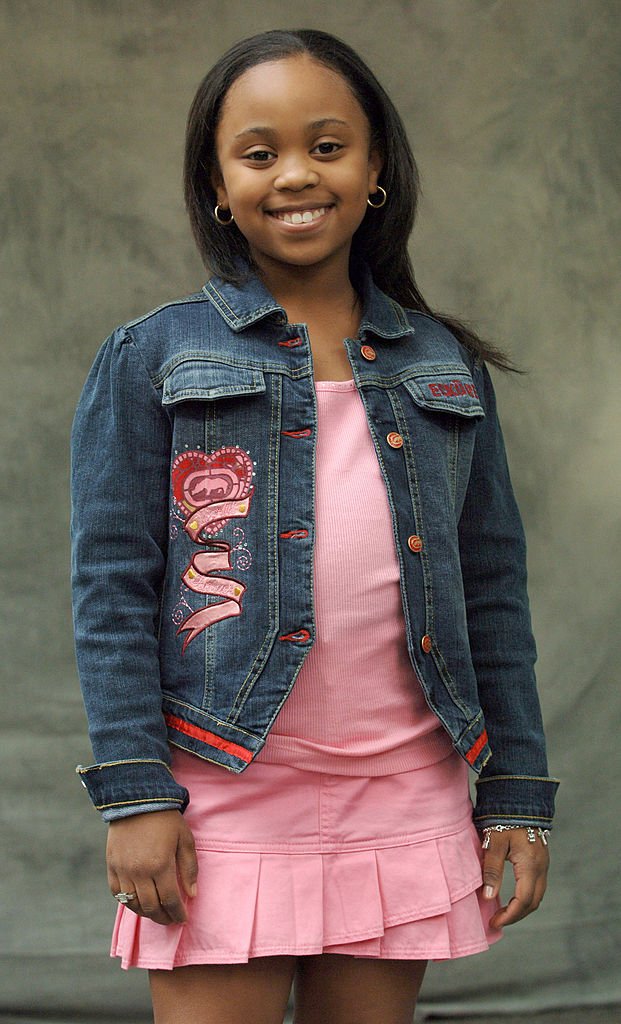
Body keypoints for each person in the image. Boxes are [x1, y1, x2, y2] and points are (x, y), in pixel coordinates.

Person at [71, 28, 559, 1024]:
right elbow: (112, 585)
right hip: (224, 781)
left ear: (377, 168)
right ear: (217, 183)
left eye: (328, 146)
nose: (296, 173)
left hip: (403, 784)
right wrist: (136, 793)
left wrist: (515, 791)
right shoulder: (152, 355)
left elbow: (493, 589)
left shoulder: (442, 366)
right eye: (259, 153)